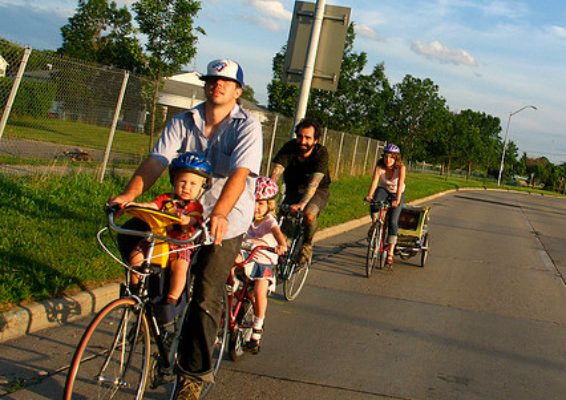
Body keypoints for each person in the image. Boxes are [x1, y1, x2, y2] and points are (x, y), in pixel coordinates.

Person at [110, 58, 263, 400]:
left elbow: (240, 174)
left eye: (225, 82)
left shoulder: (247, 126)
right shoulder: (184, 120)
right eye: (212, 79)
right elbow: (157, 160)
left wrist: (220, 212)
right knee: (130, 229)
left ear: (237, 90)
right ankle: (154, 313)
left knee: (207, 292)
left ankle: (193, 375)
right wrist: (131, 194)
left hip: (225, 217)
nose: (217, 85)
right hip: (179, 213)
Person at [125, 152, 210, 324]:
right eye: (182, 182)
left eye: (193, 184)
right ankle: (136, 287)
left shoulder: (195, 206)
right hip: (158, 238)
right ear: (174, 181)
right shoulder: (166, 199)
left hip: (180, 243)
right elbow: (153, 206)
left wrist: (188, 220)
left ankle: (172, 298)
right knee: (135, 256)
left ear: (201, 187)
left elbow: (195, 218)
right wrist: (138, 205)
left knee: (180, 266)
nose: (186, 187)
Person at [230, 176, 287, 353]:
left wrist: (281, 245)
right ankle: (230, 284)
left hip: (263, 259)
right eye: (254, 202)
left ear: (269, 205)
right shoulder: (245, 216)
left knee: (261, 290)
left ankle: (257, 327)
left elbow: (277, 233)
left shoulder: (269, 221)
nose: (256, 207)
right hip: (246, 254)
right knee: (231, 258)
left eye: (261, 203)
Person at [270, 118, 331, 265]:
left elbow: (314, 183)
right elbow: (277, 171)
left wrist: (302, 204)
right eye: (300, 136)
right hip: (294, 188)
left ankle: (307, 244)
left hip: (318, 190)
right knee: (282, 227)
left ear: (316, 140)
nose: (303, 141)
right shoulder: (289, 148)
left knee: (309, 214)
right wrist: (267, 195)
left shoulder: (321, 153)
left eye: (308, 138)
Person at [364, 143, 406, 267]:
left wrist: (397, 200)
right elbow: (375, 182)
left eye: (392, 157)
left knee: (393, 221)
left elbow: (400, 185)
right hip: (383, 190)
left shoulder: (401, 168)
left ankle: (391, 252)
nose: (388, 160)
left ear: (396, 158)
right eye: (386, 156)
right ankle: (375, 224)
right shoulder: (379, 166)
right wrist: (369, 196)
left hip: (396, 193)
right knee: (375, 202)